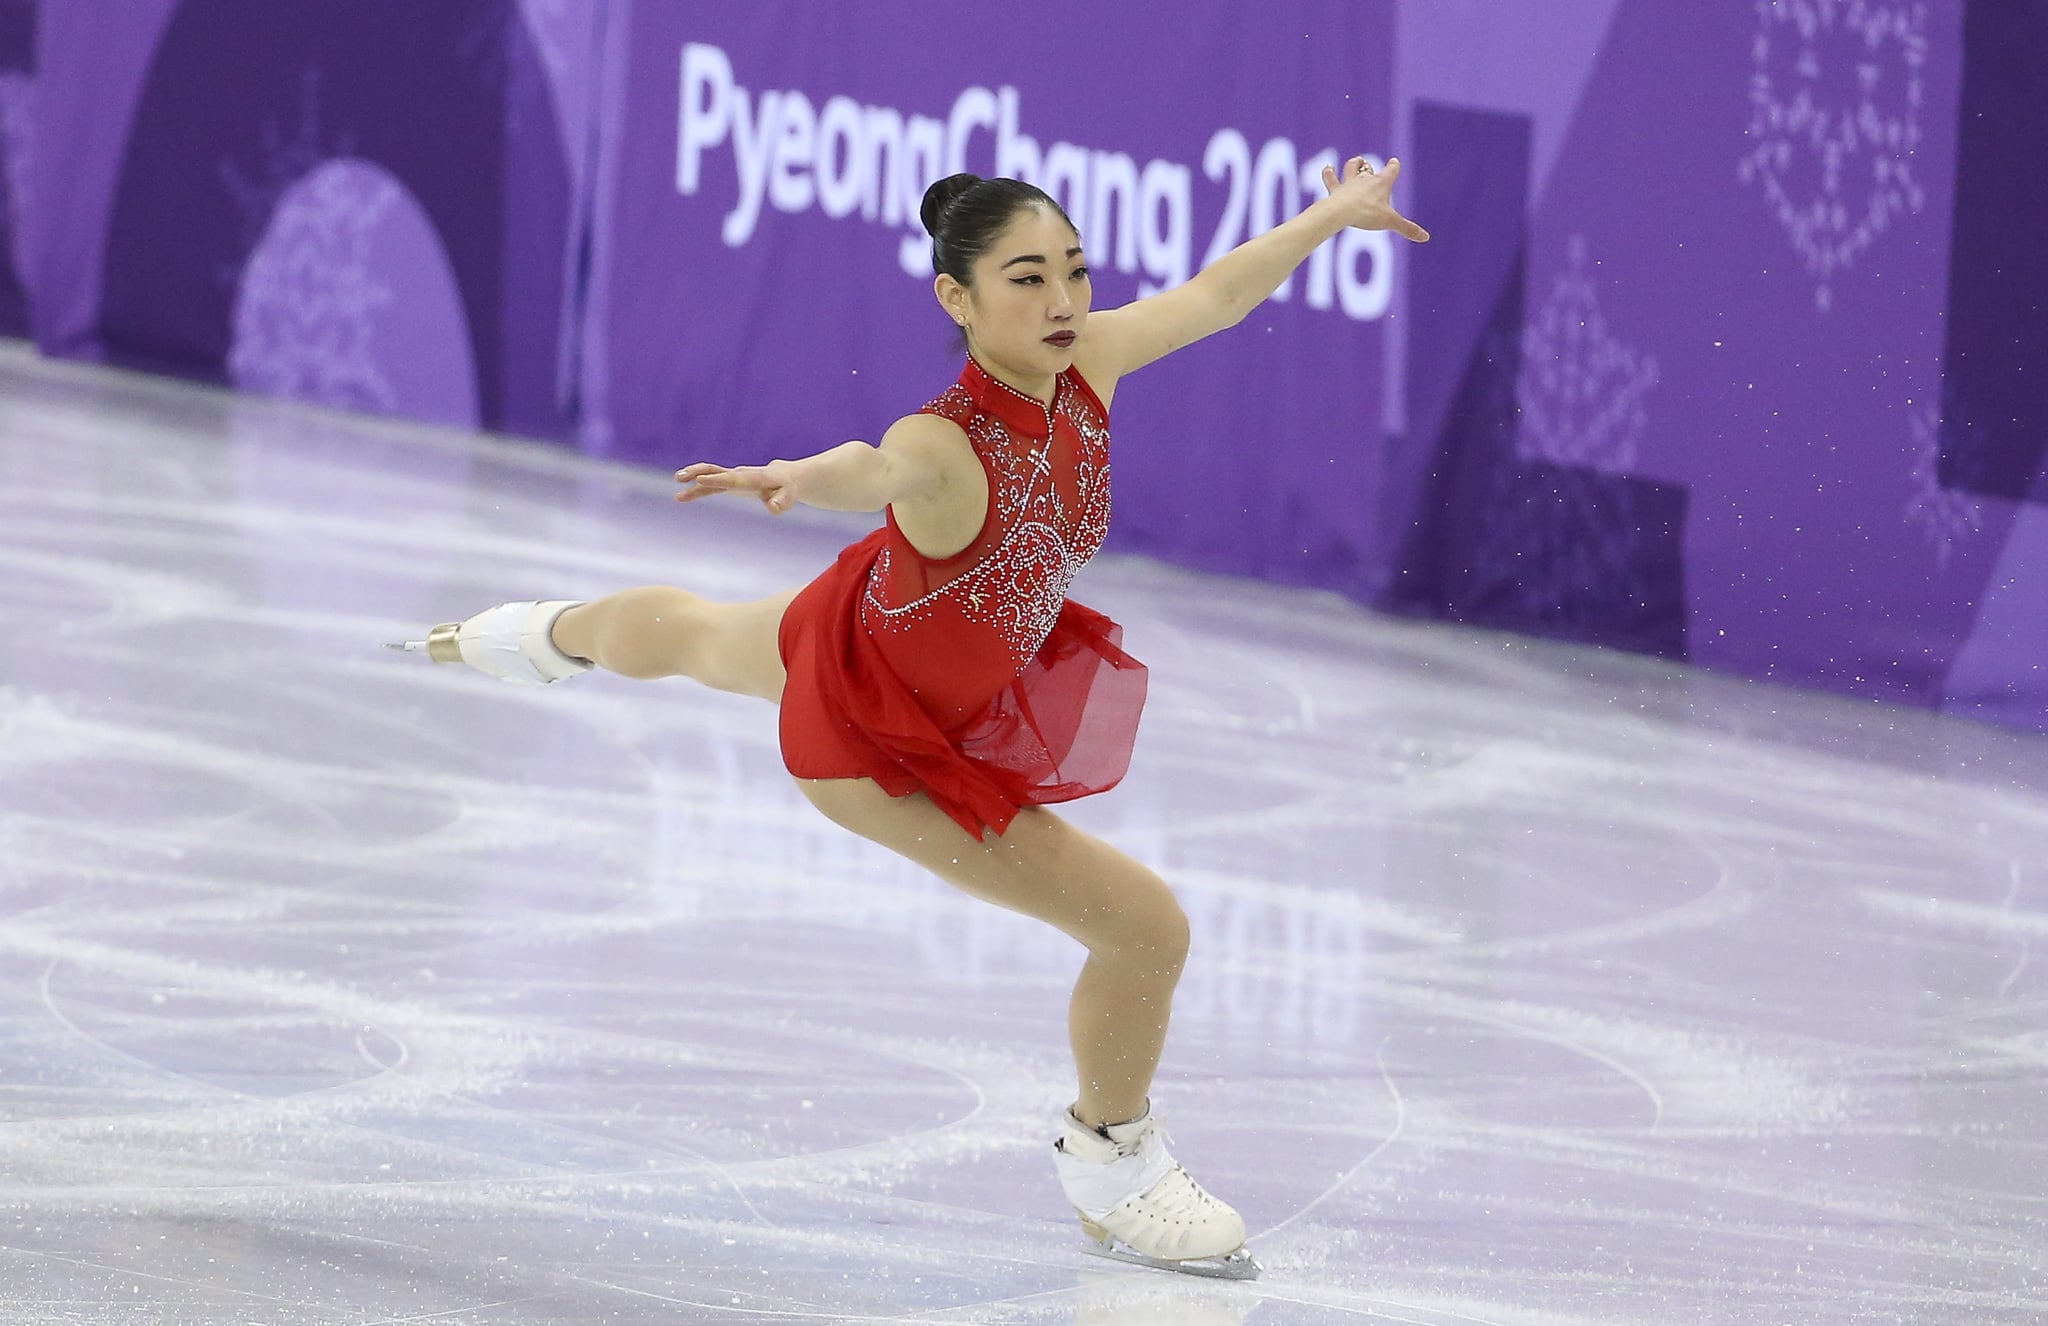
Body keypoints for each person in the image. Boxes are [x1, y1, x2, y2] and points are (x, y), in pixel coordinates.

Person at [407, 158, 1426, 1278]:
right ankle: (1110, 1160)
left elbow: (1215, 294)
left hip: (866, 627)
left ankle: (542, 635)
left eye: (1074, 273)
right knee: (1146, 929)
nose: (1062, 302)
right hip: (879, 747)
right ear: (958, 299)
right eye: (1027, 279)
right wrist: (796, 473)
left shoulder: (1090, 363)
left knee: (697, 636)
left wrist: (1330, 215)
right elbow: (876, 464)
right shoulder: (947, 442)